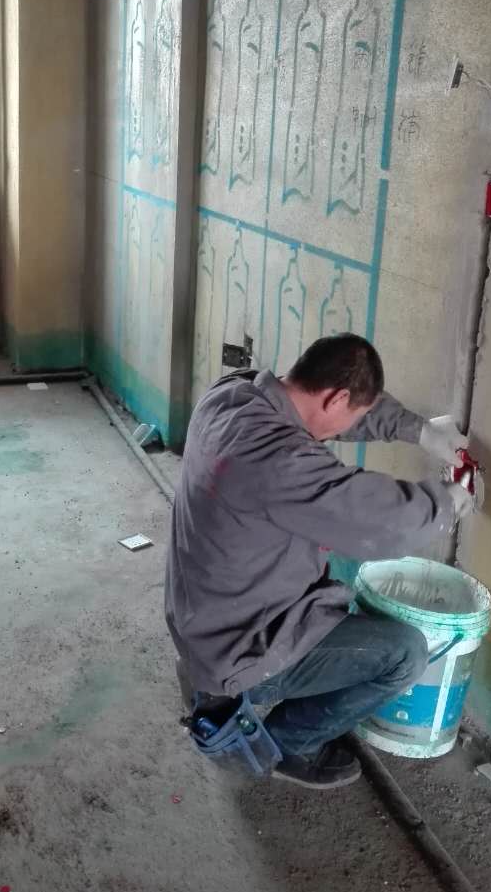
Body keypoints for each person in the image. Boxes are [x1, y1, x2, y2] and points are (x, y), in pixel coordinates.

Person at [165, 334, 475, 789]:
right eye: (353, 412)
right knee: (406, 654)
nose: (350, 427)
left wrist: (420, 431)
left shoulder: (234, 396)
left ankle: (215, 689)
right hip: (241, 648)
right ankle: (285, 744)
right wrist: (449, 500)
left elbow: (332, 415)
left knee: (337, 606)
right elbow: (382, 522)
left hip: (204, 623)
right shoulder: (280, 462)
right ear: (336, 398)